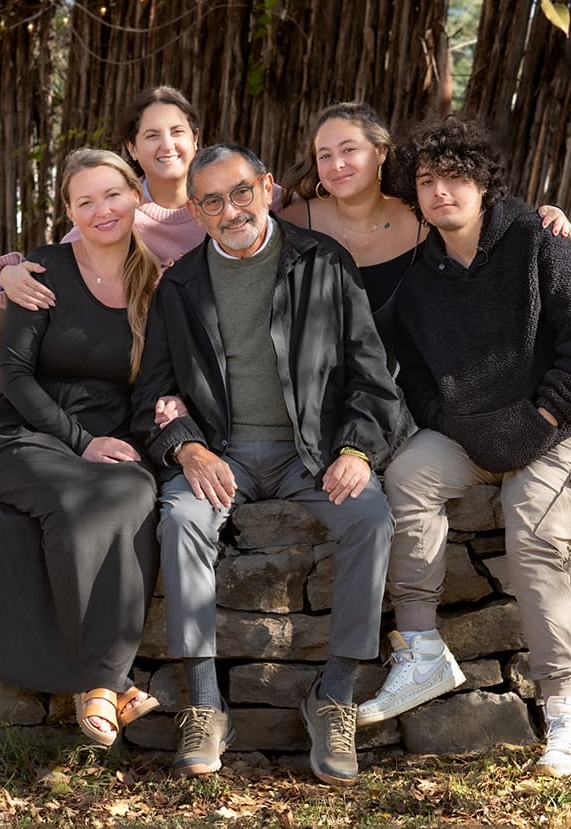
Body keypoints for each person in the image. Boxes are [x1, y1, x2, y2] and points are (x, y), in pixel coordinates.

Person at [361, 115, 571, 779]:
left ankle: (567, 715)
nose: (441, 191)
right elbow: (419, 385)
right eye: (427, 180)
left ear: (482, 182)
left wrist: (540, 414)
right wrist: (465, 425)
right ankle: (420, 649)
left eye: (456, 177)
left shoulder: (540, 242)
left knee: (532, 524)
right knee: (411, 472)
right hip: (483, 434)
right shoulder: (416, 286)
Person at [132, 144, 400, 786]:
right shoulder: (183, 283)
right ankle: (204, 702)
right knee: (180, 519)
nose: (232, 211)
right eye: (214, 201)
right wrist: (189, 448)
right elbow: (152, 391)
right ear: (195, 211)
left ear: (268, 187)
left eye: (242, 192)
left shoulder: (323, 262)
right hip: (218, 455)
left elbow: (372, 377)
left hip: (311, 453)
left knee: (371, 518)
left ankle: (334, 694)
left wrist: (358, 450)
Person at [0, 149, 168, 748]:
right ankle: (106, 683)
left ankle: (100, 683)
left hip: (113, 439)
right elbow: (14, 377)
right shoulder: (39, 271)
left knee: (137, 492)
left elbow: (156, 382)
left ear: (135, 196)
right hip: (26, 433)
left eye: (112, 195)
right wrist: (81, 443)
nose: (101, 211)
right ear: (69, 211)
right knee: (80, 505)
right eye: (84, 201)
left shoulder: (155, 282)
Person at [279, 101, 571, 349]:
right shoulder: (294, 221)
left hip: (406, 392)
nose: (337, 165)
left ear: (380, 152)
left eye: (348, 150)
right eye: (325, 156)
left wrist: (544, 215)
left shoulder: (423, 215)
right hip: (317, 389)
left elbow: (483, 217)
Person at [0, 86, 207, 312]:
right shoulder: (119, 213)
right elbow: (58, 266)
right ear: (132, 148)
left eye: (177, 131)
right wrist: (7, 275)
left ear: (195, 138)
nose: (167, 145)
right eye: (152, 135)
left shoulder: (219, 207)